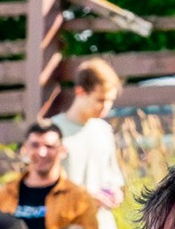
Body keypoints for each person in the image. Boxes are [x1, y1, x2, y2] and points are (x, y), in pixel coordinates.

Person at [50, 57, 126, 217]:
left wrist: (116, 193)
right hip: (67, 228)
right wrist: (85, 197)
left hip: (102, 227)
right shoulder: (52, 130)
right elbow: (41, 185)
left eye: (110, 101)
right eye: (100, 100)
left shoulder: (104, 130)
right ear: (80, 91)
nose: (106, 107)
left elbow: (113, 178)